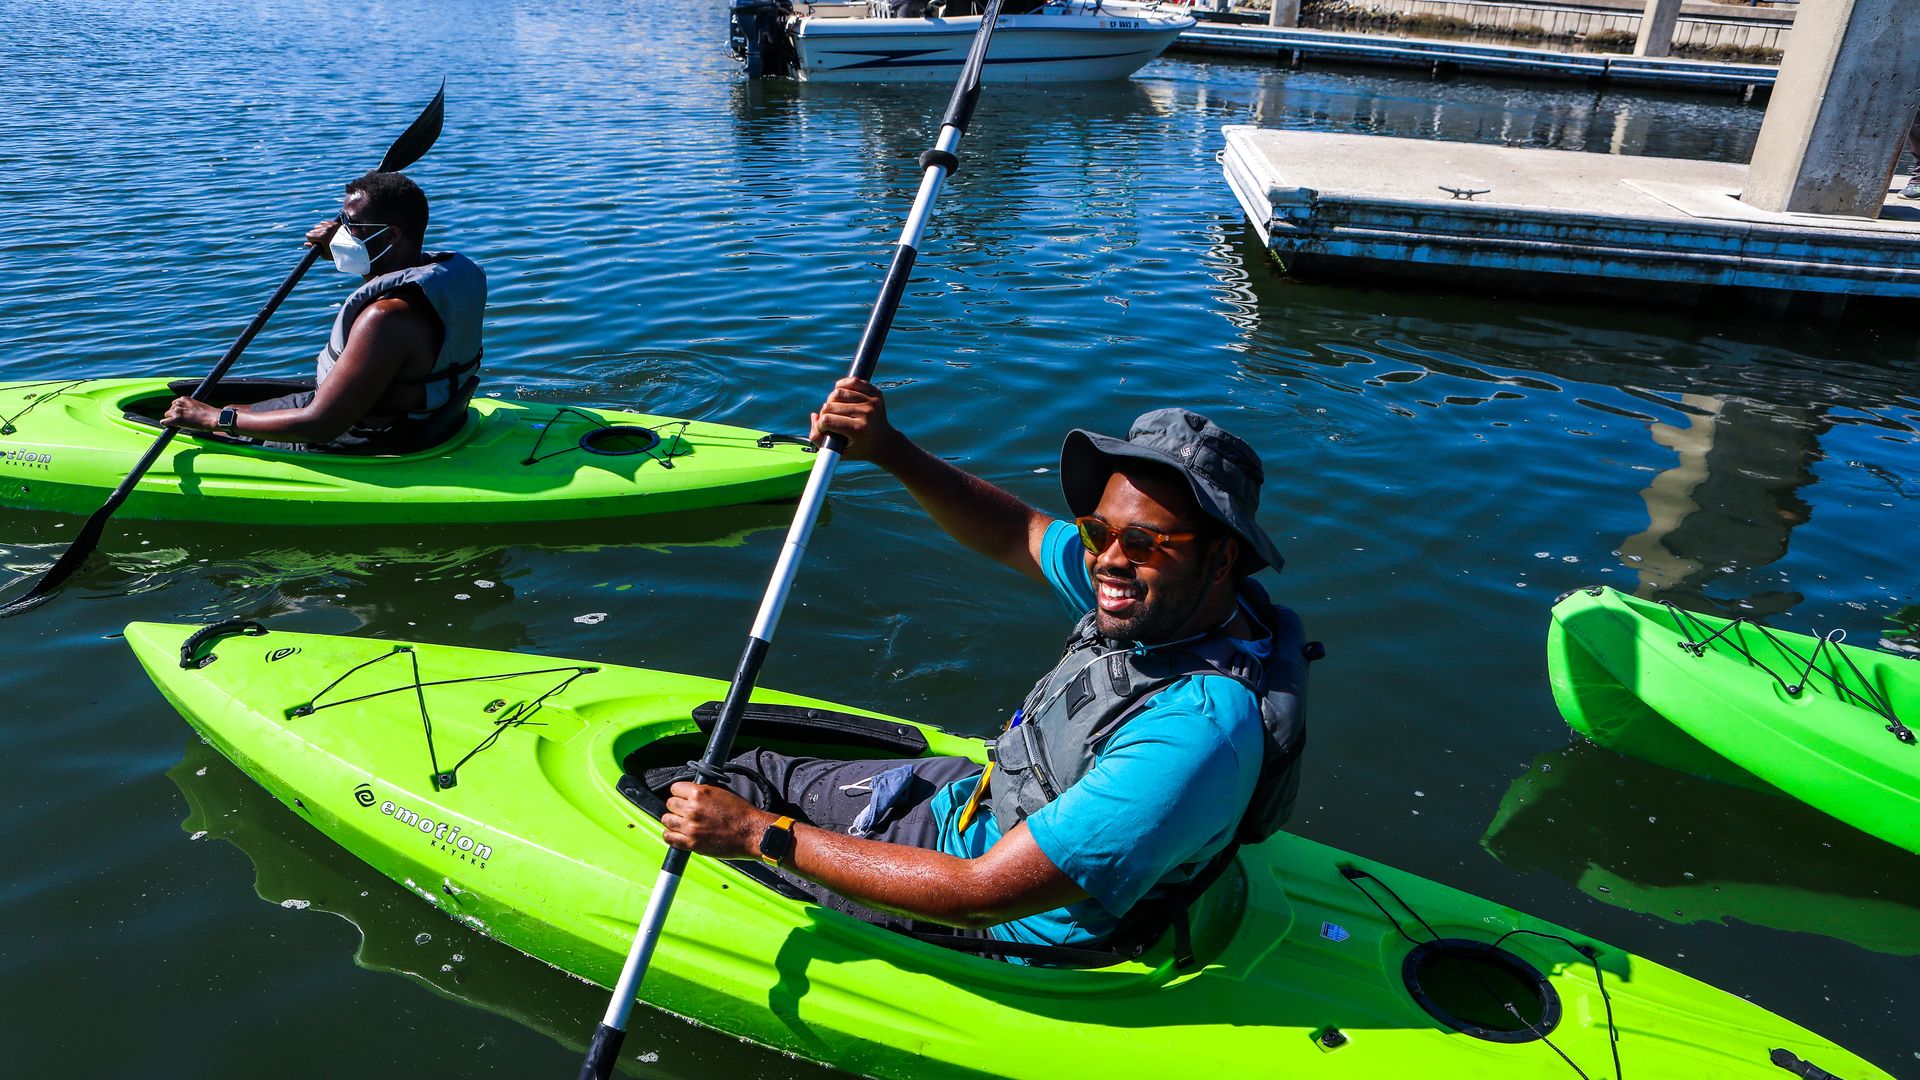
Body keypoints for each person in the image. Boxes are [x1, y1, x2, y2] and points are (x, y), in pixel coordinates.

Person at [659, 378, 1310, 961]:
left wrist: (757, 835)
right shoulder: (1162, 598)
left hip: (989, 924)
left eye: (1140, 542)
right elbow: (1017, 532)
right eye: (1095, 532)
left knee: (699, 819)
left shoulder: (1191, 737)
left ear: (1221, 560)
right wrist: (889, 448)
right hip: (974, 804)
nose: (1108, 560)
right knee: (721, 775)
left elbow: (982, 892)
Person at [163, 171, 486, 453]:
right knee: (232, 406)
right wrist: (342, 249)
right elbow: (387, 272)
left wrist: (213, 418)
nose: (340, 232)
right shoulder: (436, 274)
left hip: (371, 435)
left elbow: (319, 424)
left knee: (215, 422)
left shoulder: (386, 317)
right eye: (340, 221)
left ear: (391, 235)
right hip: (435, 418)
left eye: (351, 224)